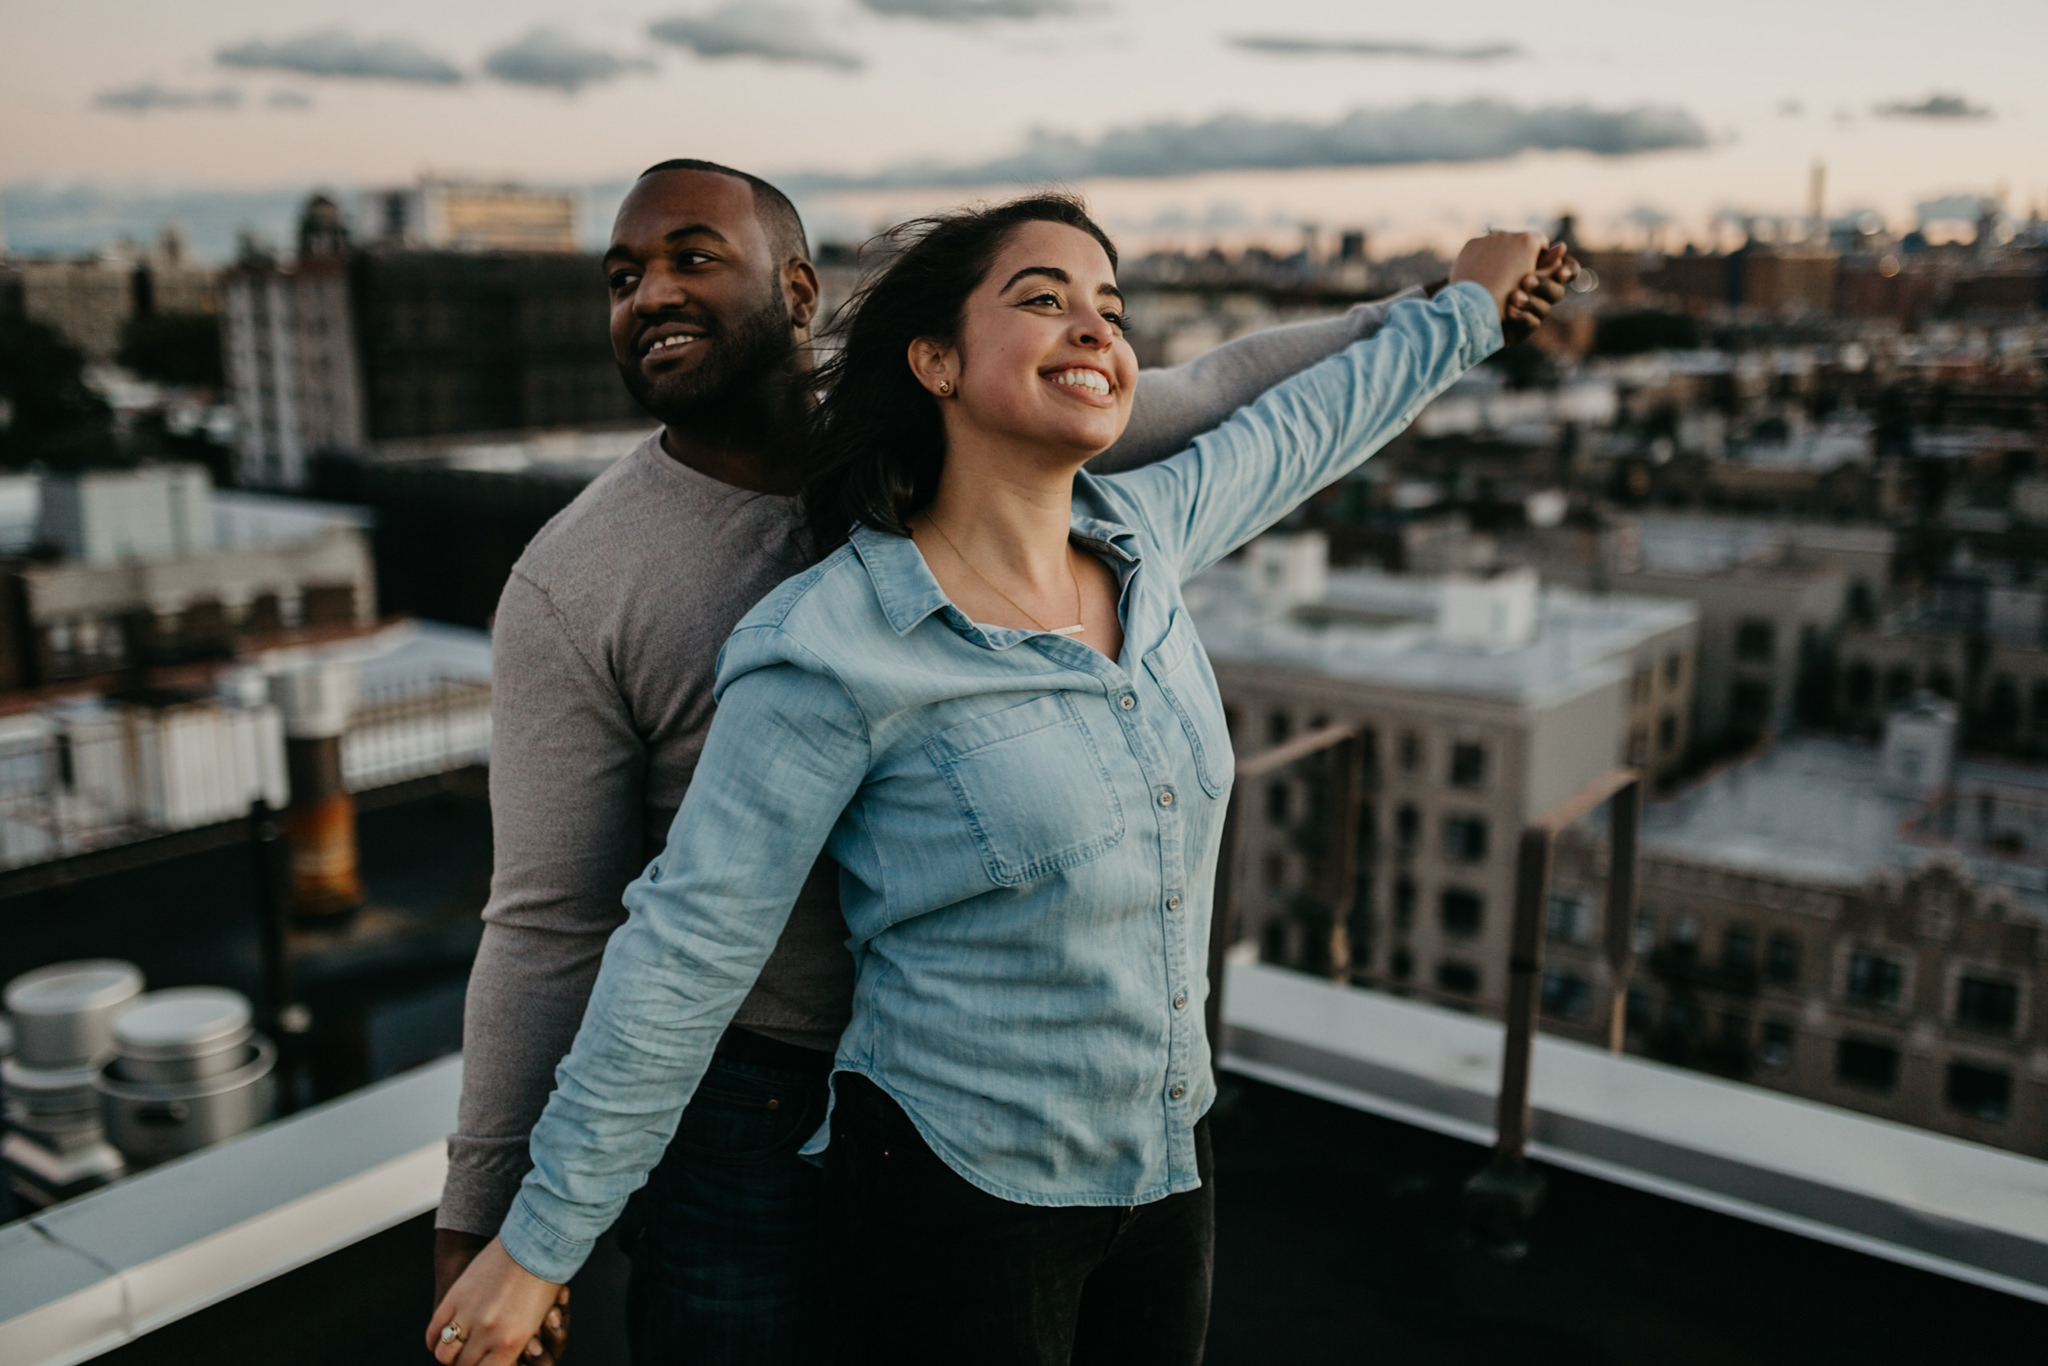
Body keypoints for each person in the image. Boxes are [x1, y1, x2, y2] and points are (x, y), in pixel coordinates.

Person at [436, 158, 1575, 1364]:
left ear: (800, 291)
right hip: (769, 1107)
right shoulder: (733, 615)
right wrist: (504, 1222)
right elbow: (583, 930)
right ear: (936, 360)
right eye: (621, 276)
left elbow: (1259, 403)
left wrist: (1456, 309)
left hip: (1120, 1147)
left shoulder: (1118, 523)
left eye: (690, 257)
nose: (648, 293)